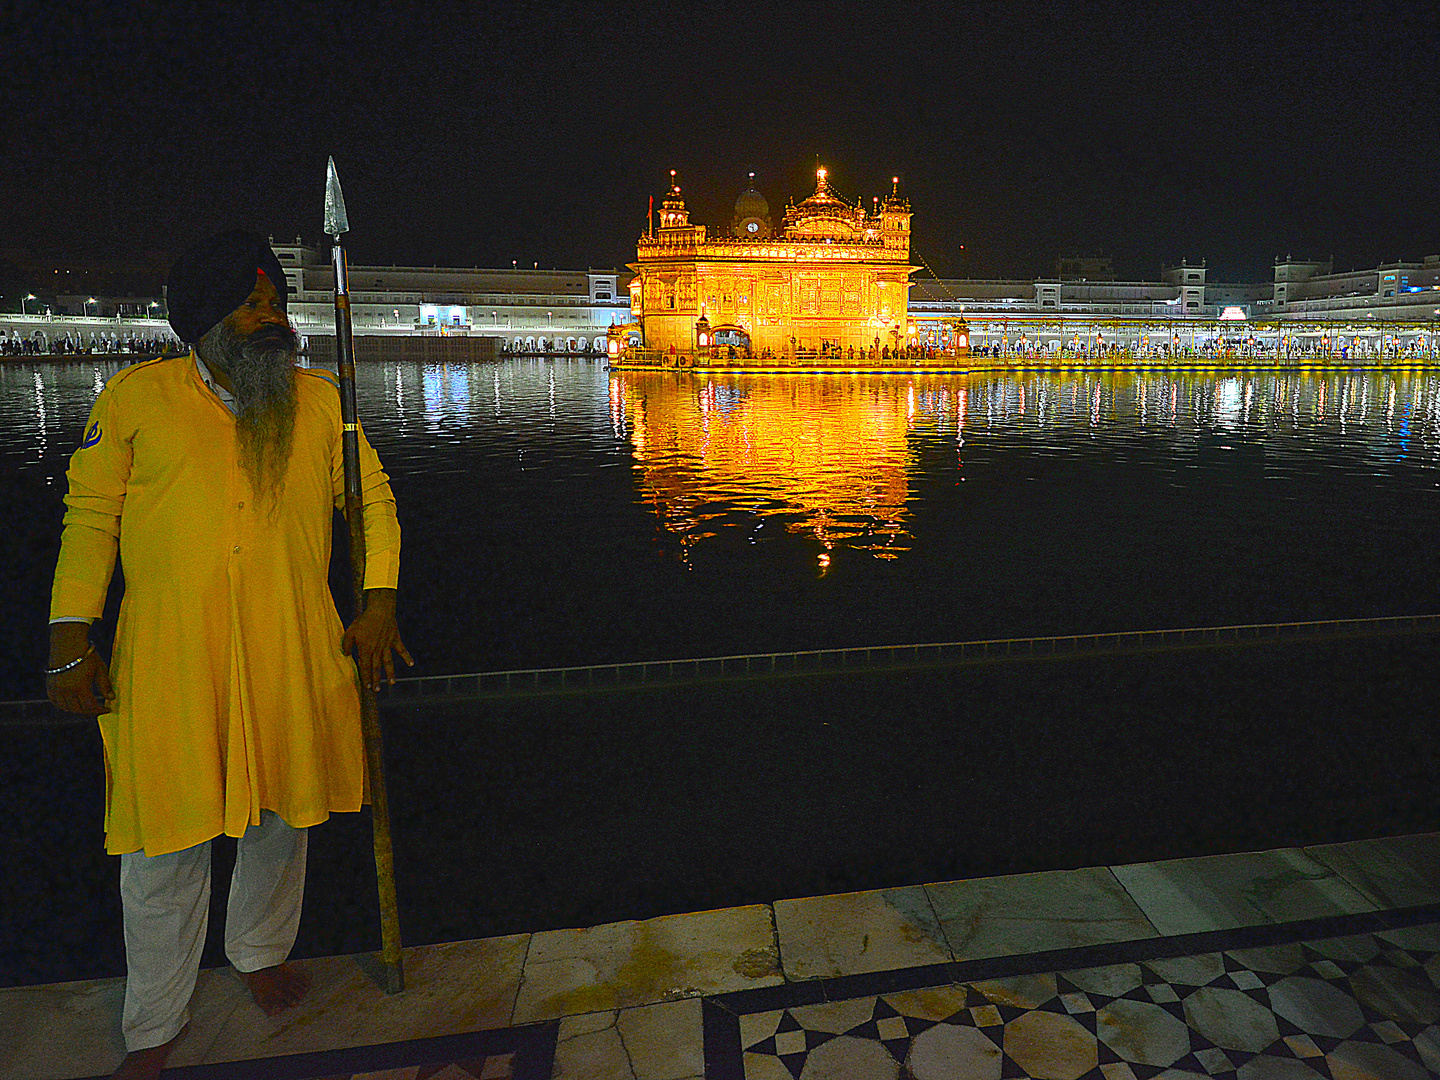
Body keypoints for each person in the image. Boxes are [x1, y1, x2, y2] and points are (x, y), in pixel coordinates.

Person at [45, 230, 411, 1080]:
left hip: (292, 642)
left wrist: (380, 602)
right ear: (203, 321)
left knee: (283, 816)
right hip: (173, 654)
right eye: (251, 306)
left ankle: (257, 951)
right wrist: (71, 639)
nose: (269, 319)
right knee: (164, 842)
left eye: (275, 304)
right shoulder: (136, 400)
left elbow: (373, 502)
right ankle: (156, 1022)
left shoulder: (321, 404)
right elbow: (90, 519)